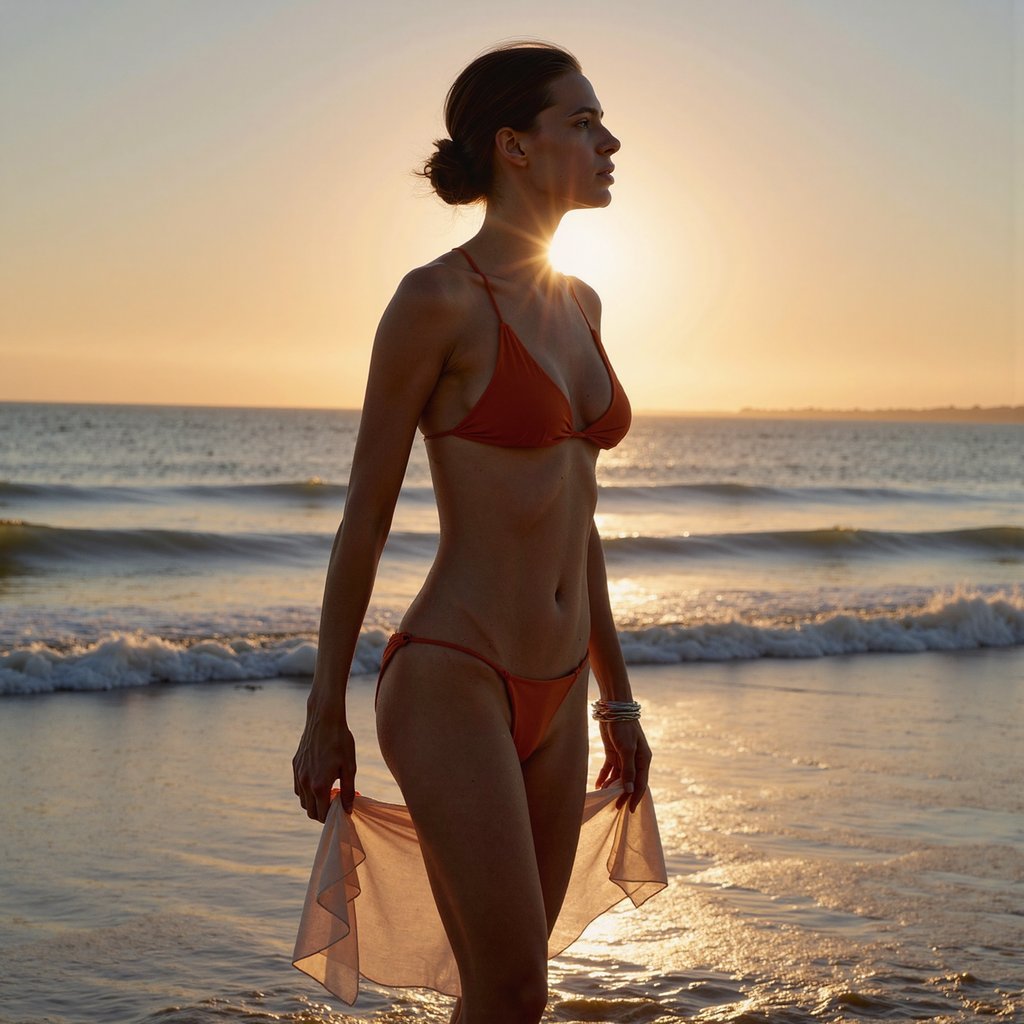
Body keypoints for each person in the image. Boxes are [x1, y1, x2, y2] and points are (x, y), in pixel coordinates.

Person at [292, 41, 656, 1024]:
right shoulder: (436, 300)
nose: (609, 141)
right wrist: (325, 709)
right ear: (514, 145)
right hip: (455, 673)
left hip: (560, 688)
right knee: (512, 986)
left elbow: (576, 521)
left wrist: (617, 699)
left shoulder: (582, 303)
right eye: (583, 121)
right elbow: (365, 515)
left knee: (510, 996)